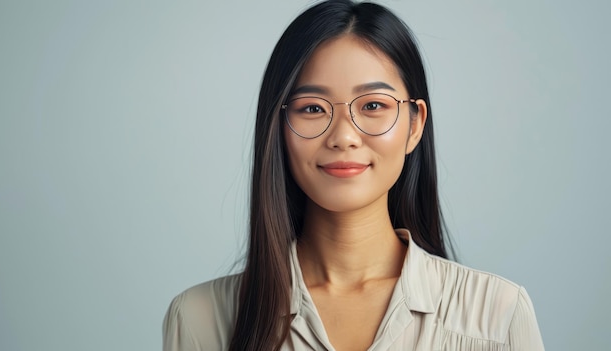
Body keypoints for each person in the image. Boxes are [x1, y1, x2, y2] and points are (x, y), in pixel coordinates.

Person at [162, 0, 544, 350]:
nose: (343, 136)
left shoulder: (499, 315)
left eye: (373, 105)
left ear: (415, 126)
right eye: (312, 109)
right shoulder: (199, 319)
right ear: (277, 128)